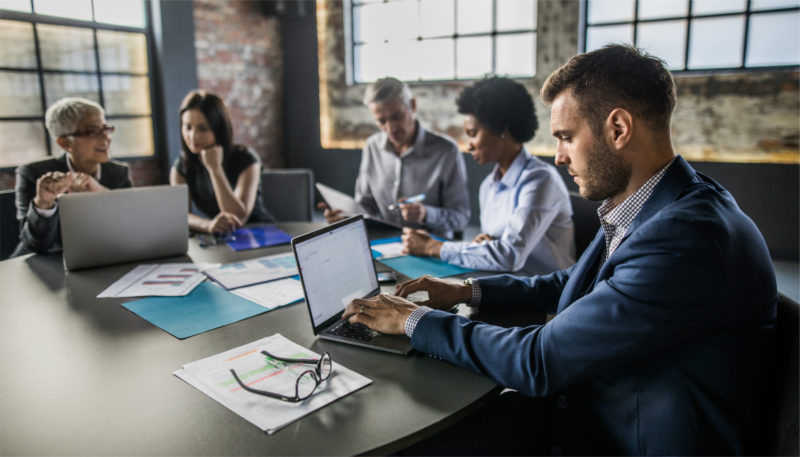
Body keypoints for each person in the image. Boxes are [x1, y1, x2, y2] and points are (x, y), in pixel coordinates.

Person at [342, 45, 777, 455]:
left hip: (622, 438)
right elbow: (574, 281)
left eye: (566, 137)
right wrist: (465, 291)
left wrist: (414, 319)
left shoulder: (687, 238)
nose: (559, 158)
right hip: (601, 406)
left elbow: (540, 360)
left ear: (619, 129)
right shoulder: (657, 203)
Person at [402, 76, 575, 275]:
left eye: (473, 133)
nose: (469, 145)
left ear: (501, 129)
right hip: (508, 286)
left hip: (550, 298)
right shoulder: (488, 186)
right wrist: (482, 245)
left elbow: (509, 255)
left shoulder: (541, 180)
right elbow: (498, 249)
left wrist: (432, 247)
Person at [319, 77, 470, 239]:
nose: (390, 128)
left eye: (397, 117)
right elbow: (365, 206)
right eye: (381, 121)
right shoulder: (372, 147)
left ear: (412, 105)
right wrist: (345, 215)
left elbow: (461, 218)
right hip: (384, 244)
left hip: (431, 248)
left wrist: (426, 214)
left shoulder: (446, 151)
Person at [13, 97, 132, 256]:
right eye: (93, 132)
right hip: (43, 265)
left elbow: (133, 227)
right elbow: (35, 245)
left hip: (98, 260)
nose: (106, 138)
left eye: (106, 129)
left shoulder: (119, 173)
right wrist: (44, 203)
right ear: (65, 143)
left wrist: (103, 195)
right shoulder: (33, 174)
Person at [170, 90, 273, 234]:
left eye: (203, 129)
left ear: (219, 129)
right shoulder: (181, 166)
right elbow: (181, 215)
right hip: (222, 236)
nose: (193, 136)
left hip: (259, 232)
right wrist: (208, 225)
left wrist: (215, 169)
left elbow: (237, 217)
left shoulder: (247, 159)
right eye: (188, 127)